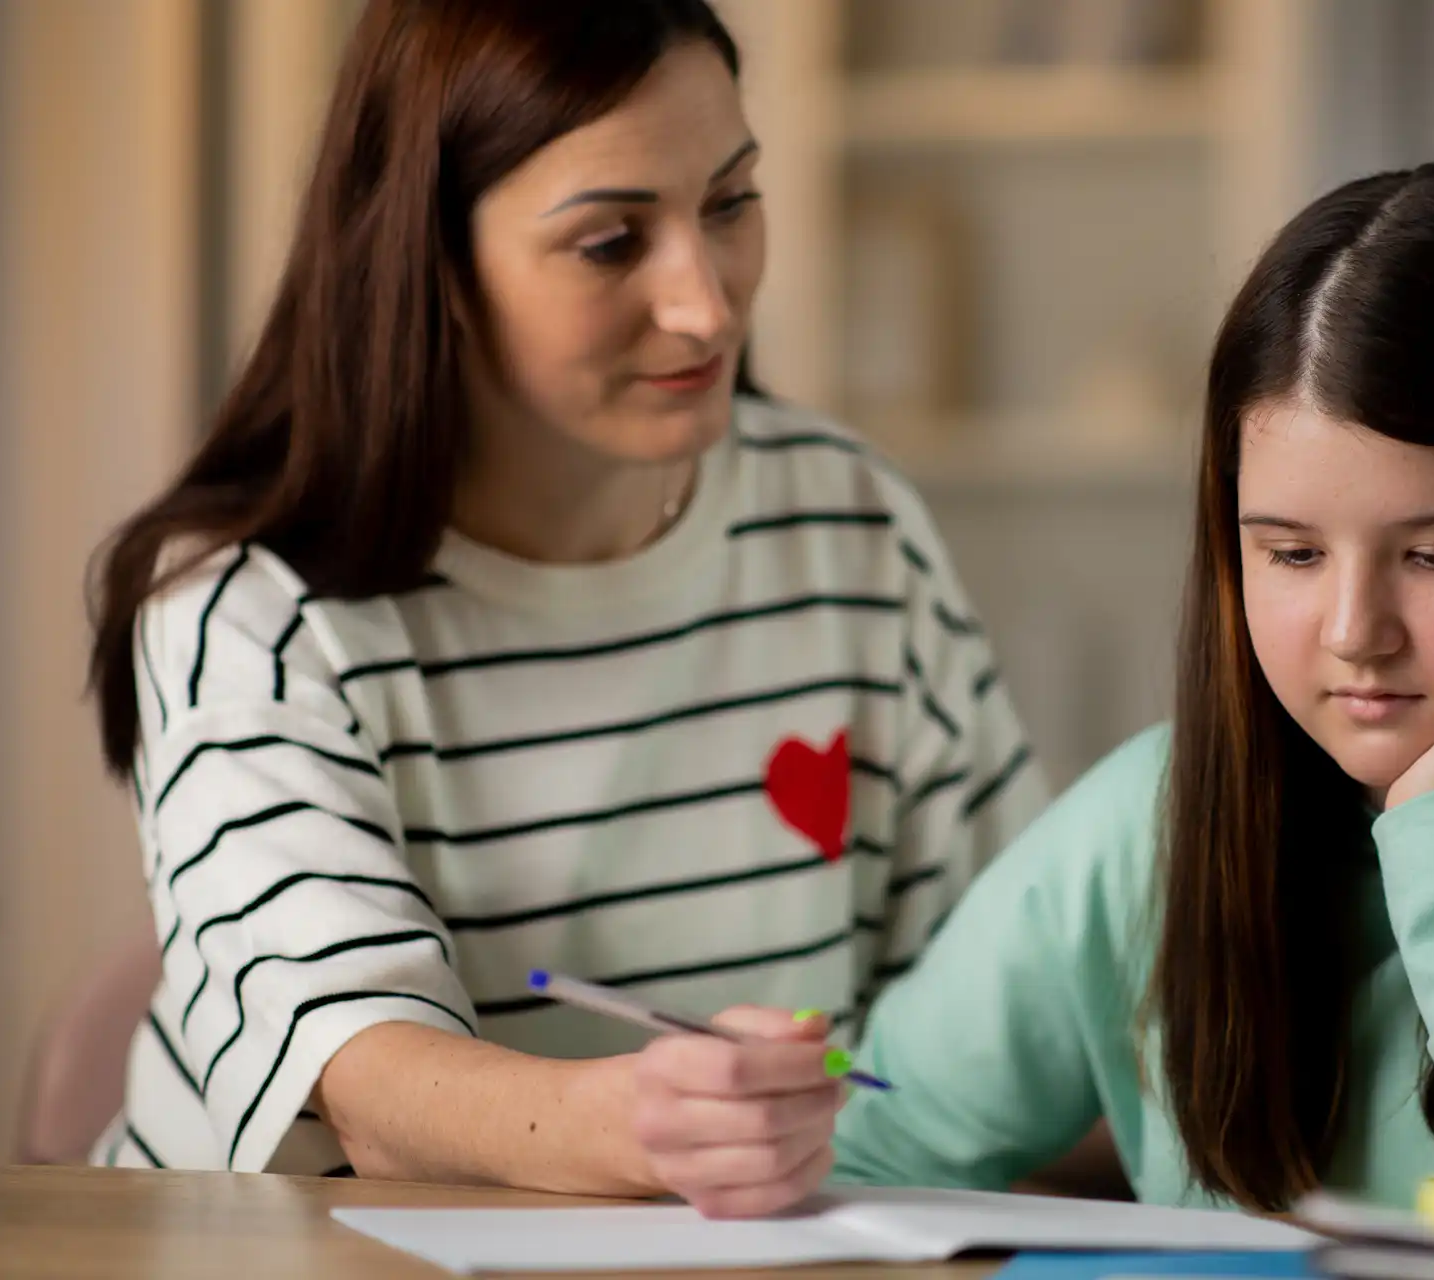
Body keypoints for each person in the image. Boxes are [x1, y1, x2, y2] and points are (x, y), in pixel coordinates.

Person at [628, 161, 1434, 1217]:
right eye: (1290, 553)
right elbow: (875, 1142)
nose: (1353, 632)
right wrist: (755, 1121)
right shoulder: (1156, 818)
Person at [82, 0, 1045, 1192]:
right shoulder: (252, 614)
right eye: (609, 242)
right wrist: (659, 1122)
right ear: (428, 262)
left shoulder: (850, 526)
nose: (706, 302)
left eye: (731, 203)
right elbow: (361, 1080)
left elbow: (1016, 986)